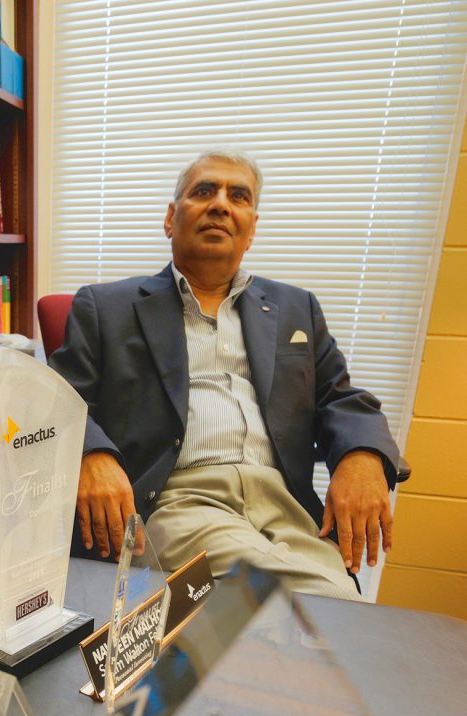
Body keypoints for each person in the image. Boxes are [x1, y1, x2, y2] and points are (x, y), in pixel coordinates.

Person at [50, 150, 402, 599]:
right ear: (170, 218)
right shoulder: (106, 307)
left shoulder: (297, 308)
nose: (220, 204)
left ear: (251, 229)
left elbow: (341, 397)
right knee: (315, 606)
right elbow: (55, 399)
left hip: (285, 506)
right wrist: (90, 453)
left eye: (238, 196)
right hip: (180, 500)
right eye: (203, 192)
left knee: (330, 607)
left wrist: (364, 456)